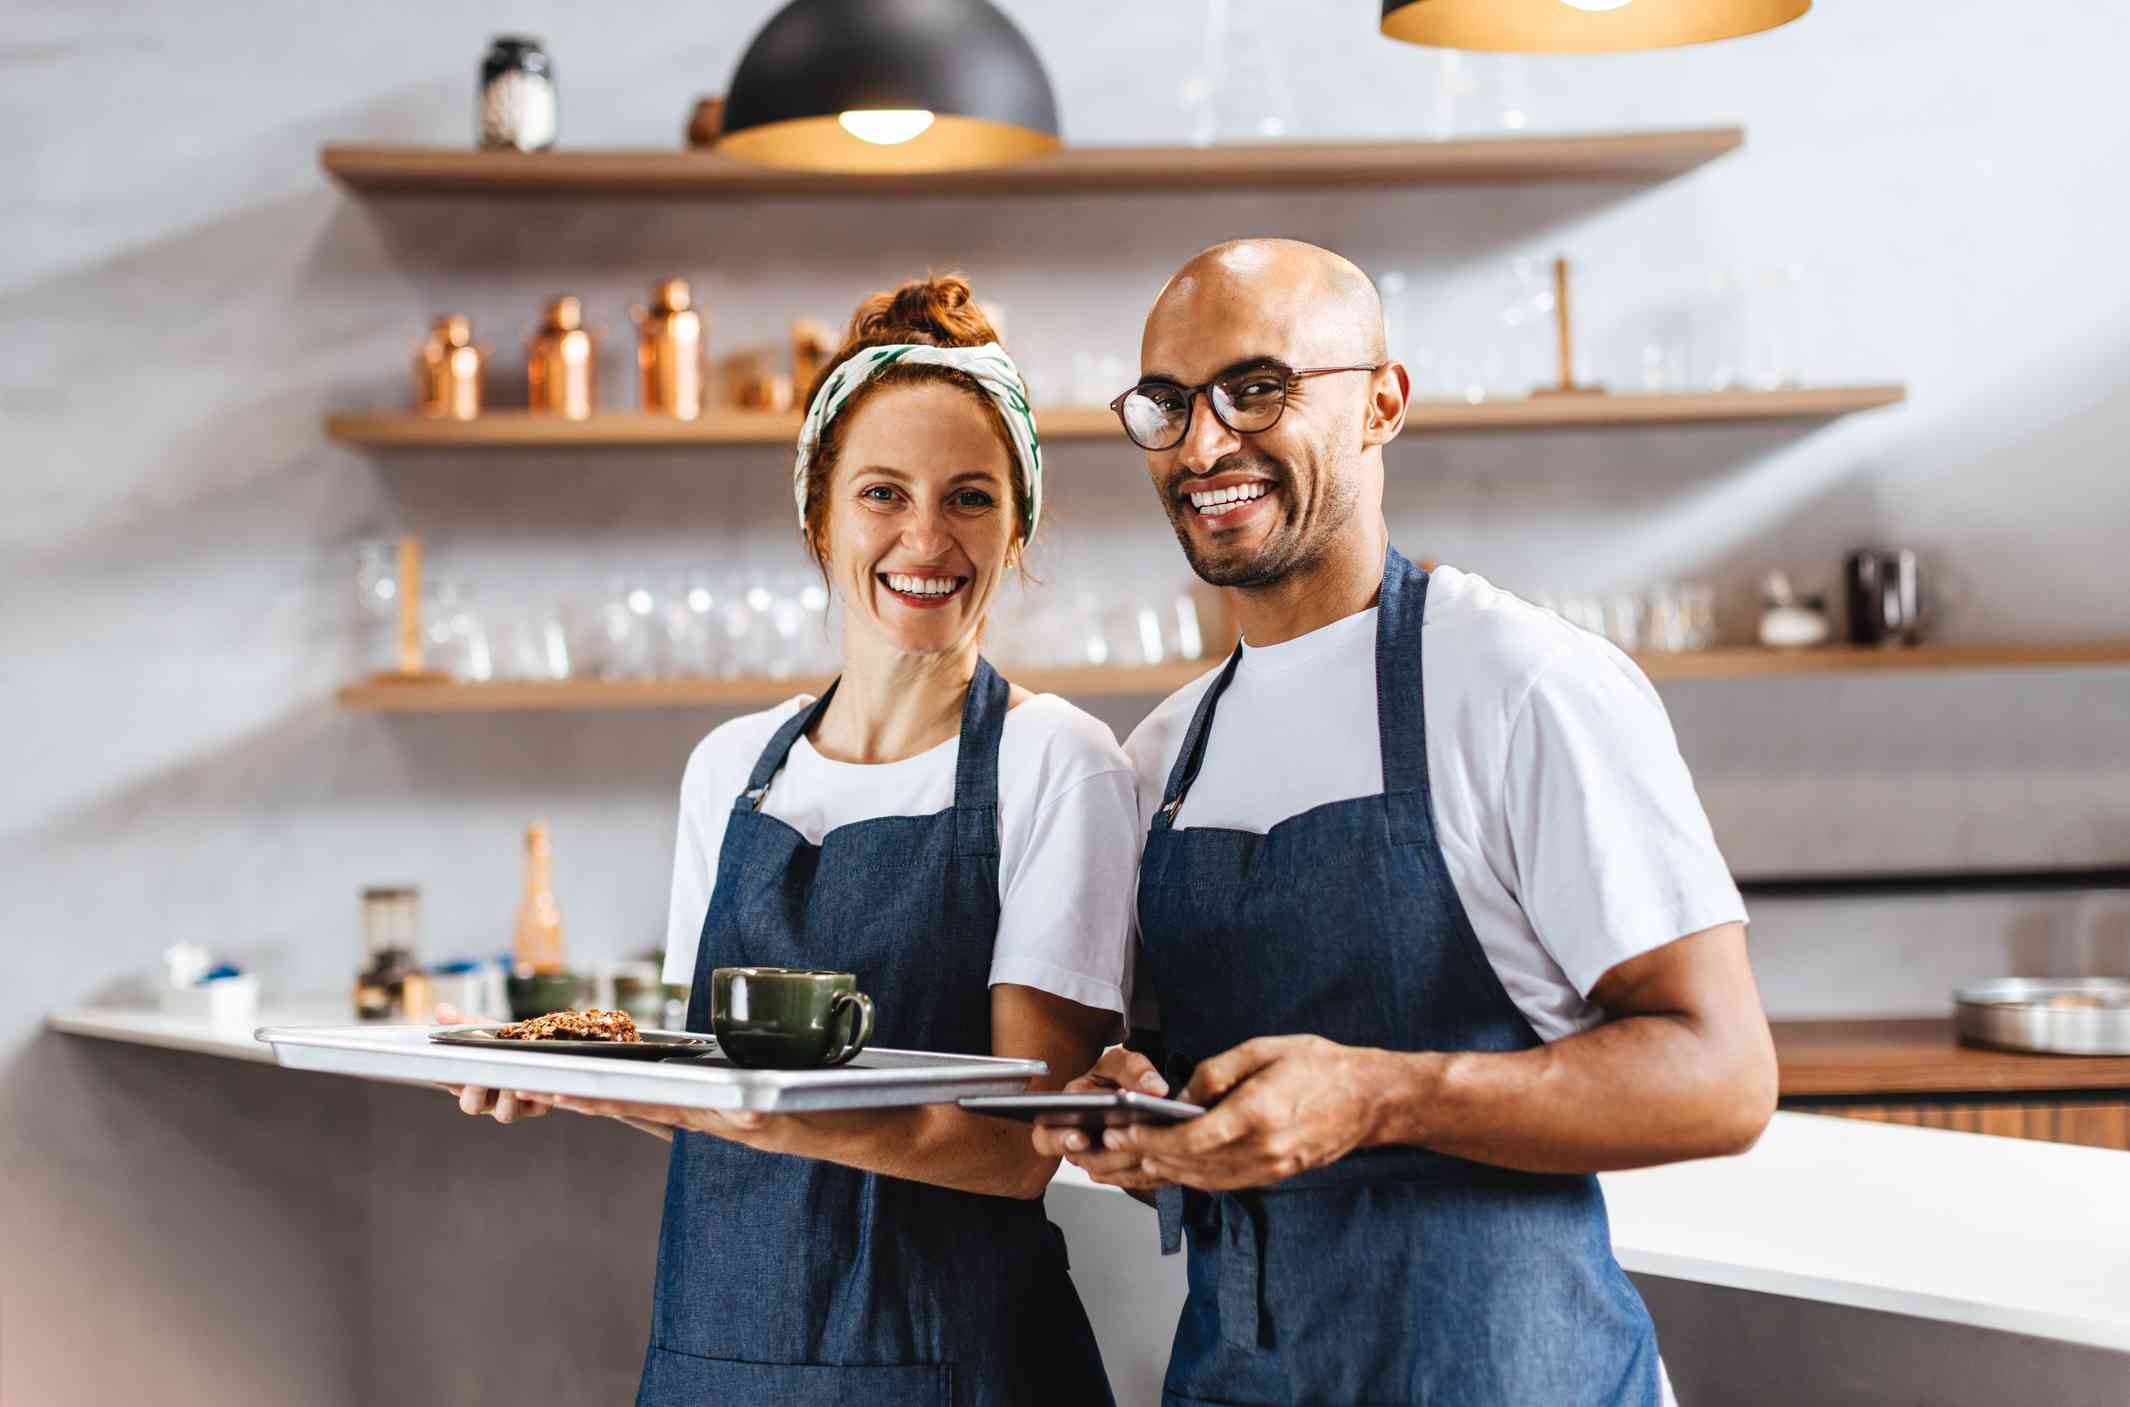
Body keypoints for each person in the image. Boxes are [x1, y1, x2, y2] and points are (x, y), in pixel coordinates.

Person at [1036, 239, 1779, 1406]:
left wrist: (1378, 1096)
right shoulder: (1160, 756)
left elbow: (1723, 1077)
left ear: (1382, 403)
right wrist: (1144, 1130)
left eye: (1258, 387)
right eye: (1168, 405)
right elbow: (1223, 1125)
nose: (1205, 443)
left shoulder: (1523, 685)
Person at [450, 275, 1135, 1406]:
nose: (927, 538)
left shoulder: (1059, 765)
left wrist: (739, 1114)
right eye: (883, 493)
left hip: (954, 1368)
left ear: (1019, 532)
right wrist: (582, 1083)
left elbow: (1022, 1150)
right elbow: (707, 1092)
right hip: (716, 1358)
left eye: (971, 498)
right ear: (818, 516)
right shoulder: (730, 769)